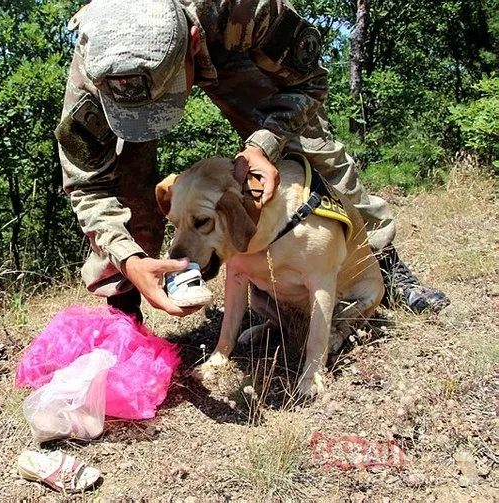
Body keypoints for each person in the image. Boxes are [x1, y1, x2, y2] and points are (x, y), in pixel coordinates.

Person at [54, 0, 449, 323]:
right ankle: (124, 314)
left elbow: (308, 82)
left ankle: (382, 264)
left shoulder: (245, 10)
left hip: (231, 52)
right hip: (147, 73)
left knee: (311, 145)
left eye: (162, 101)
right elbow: (87, 184)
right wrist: (129, 259)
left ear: (193, 41)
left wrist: (265, 143)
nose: (152, 116)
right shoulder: (97, 66)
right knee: (121, 182)